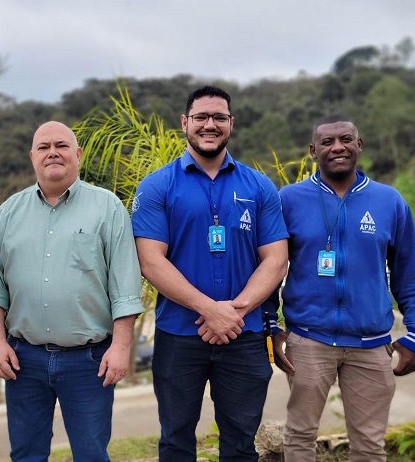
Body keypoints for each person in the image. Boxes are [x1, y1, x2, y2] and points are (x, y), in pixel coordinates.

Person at [130, 86, 289, 461]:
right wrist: (210, 309)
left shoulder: (259, 186)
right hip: (179, 335)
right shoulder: (158, 186)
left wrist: (234, 312)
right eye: (201, 117)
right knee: (176, 440)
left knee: (239, 443)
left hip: (245, 335)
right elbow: (151, 261)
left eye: (219, 117)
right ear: (185, 123)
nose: (210, 125)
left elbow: (276, 259)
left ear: (231, 124)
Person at [268, 115, 415, 461]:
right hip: (309, 339)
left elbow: (408, 271)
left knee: (370, 445)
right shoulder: (289, 199)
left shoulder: (389, 201)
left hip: (371, 346)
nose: (338, 147)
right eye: (327, 142)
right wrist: (272, 324)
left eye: (346, 139)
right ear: (313, 151)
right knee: (299, 436)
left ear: (359, 145)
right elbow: (270, 266)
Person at [0, 121, 144, 462]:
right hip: (23, 360)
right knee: (26, 454)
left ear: (77, 154)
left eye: (61, 145)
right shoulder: (9, 212)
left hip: (89, 361)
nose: (52, 152)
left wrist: (121, 346)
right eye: (43, 147)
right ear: (32, 157)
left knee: (90, 454)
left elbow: (125, 286)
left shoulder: (108, 208)